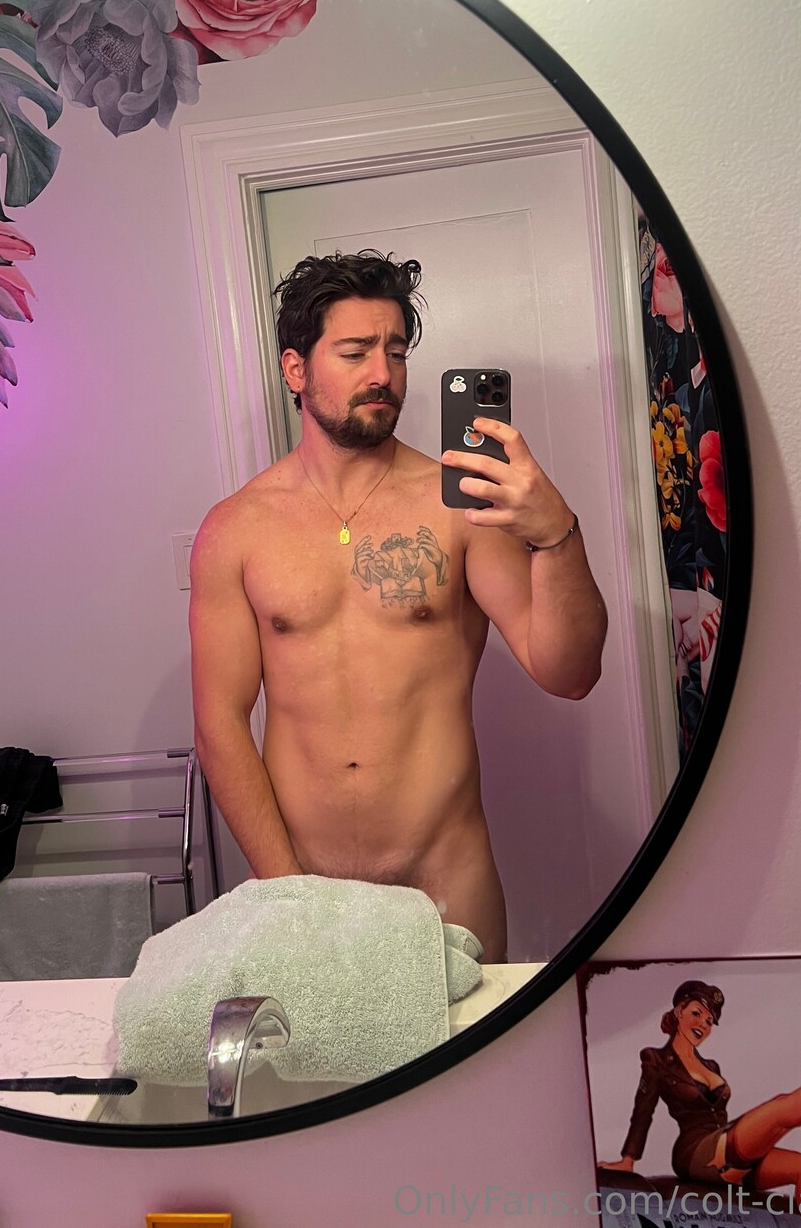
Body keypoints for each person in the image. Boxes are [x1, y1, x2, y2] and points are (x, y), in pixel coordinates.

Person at [189, 249, 608, 961]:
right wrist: (287, 892)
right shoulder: (236, 530)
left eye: (396, 352)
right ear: (296, 370)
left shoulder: (460, 507)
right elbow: (220, 723)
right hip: (301, 888)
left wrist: (555, 533)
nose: (382, 373)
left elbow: (569, 672)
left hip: (447, 890)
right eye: (355, 352)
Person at [597, 980, 801, 1228]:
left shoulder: (710, 1066)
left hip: (725, 1145)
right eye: (697, 1013)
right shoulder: (656, 1059)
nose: (703, 1024)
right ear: (678, 1011)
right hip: (697, 1151)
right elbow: (643, 1109)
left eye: (709, 1020)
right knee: (781, 1109)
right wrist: (628, 1159)